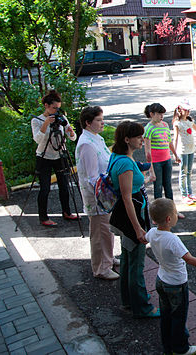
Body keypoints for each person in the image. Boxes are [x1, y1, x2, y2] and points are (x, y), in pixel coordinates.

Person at [108, 121, 159, 318]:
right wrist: (138, 229)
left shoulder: (119, 157)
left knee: (128, 261)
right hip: (131, 219)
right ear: (127, 139)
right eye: (138, 137)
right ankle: (142, 308)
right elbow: (127, 198)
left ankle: (128, 301)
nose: (142, 140)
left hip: (124, 218)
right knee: (136, 265)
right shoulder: (125, 163)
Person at [146, 199, 196, 355]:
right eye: (175, 213)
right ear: (169, 219)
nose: (176, 215)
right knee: (179, 317)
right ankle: (181, 349)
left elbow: (144, 238)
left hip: (161, 280)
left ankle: (167, 345)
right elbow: (189, 258)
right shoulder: (173, 240)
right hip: (176, 284)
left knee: (166, 315)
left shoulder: (153, 232)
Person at [76, 106, 118, 279]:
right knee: (100, 231)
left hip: (105, 192)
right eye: (99, 120)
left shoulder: (96, 138)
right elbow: (92, 177)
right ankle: (101, 267)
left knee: (107, 229)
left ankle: (109, 258)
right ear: (87, 123)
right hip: (98, 196)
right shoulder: (86, 143)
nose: (103, 123)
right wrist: (105, 195)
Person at [31, 90, 78, 227]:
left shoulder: (62, 118)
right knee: (45, 188)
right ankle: (44, 217)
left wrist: (71, 133)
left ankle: (67, 212)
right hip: (44, 156)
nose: (56, 111)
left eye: (58, 108)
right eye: (54, 108)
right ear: (46, 105)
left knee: (64, 185)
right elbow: (37, 140)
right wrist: (46, 124)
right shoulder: (37, 120)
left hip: (60, 155)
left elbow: (73, 138)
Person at [144, 103, 180, 213]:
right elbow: (147, 150)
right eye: (159, 114)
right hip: (156, 162)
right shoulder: (148, 128)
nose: (161, 116)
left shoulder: (164, 125)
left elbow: (169, 142)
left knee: (168, 186)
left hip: (167, 160)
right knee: (158, 187)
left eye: (162, 114)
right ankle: (157, 213)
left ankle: (172, 211)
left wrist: (175, 154)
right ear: (151, 114)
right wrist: (150, 169)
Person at [172, 99, 196, 205]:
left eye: (189, 110)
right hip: (182, 150)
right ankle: (184, 195)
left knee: (189, 172)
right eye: (186, 110)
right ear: (180, 110)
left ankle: (190, 193)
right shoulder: (177, 123)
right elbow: (175, 138)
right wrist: (175, 153)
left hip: (191, 149)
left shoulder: (189, 121)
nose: (188, 112)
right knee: (183, 172)